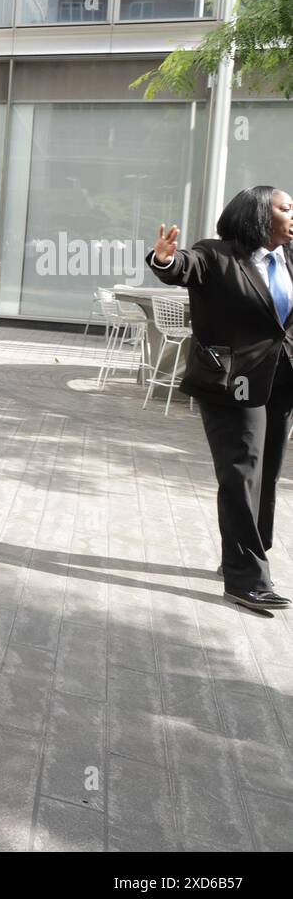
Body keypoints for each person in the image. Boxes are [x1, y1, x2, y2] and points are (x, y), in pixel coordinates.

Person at [148, 186, 293, 612]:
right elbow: (180, 268)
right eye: (287, 208)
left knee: (266, 471)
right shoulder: (215, 255)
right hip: (233, 382)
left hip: (281, 380)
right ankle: (245, 579)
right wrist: (165, 258)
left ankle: (250, 550)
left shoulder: (288, 257)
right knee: (240, 473)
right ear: (259, 216)